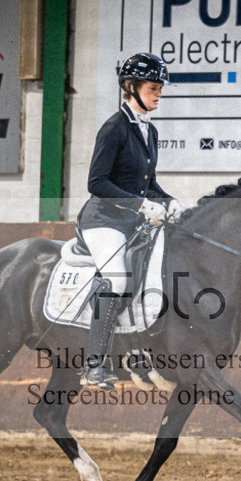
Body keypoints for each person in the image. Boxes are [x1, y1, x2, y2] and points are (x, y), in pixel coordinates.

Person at [77, 52, 184, 389]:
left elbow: (148, 183)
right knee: (117, 279)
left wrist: (168, 201)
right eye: (153, 88)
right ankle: (93, 365)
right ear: (131, 86)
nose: (159, 94)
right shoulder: (114, 128)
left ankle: (137, 353)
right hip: (103, 220)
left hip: (132, 223)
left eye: (160, 88)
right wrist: (140, 205)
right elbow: (96, 183)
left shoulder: (150, 132)